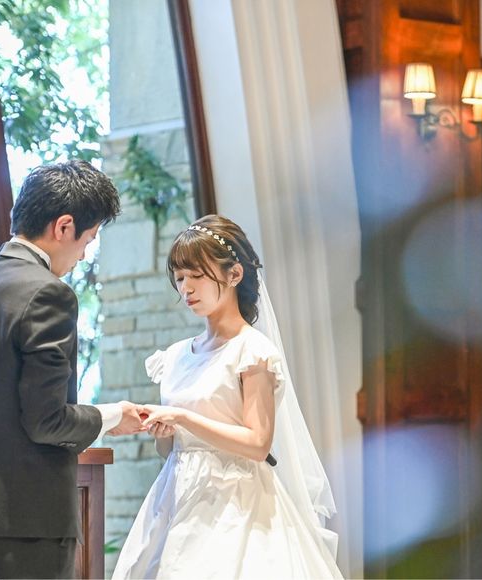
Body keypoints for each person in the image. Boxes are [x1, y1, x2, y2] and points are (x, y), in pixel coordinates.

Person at [112, 215, 343, 579]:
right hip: (176, 496)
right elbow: (171, 450)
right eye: (180, 278)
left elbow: (257, 443)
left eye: (197, 275)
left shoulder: (252, 351)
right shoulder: (175, 356)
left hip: (238, 501)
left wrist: (182, 417)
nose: (186, 288)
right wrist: (165, 433)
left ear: (234, 274)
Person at [0, 160, 145, 579]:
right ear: (64, 226)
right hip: (26, 524)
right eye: (88, 239)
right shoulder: (47, 294)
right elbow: (46, 421)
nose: (84, 254)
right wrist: (113, 414)